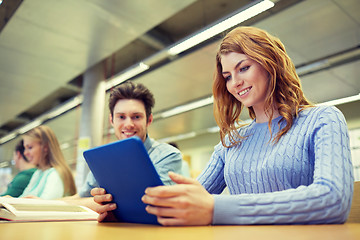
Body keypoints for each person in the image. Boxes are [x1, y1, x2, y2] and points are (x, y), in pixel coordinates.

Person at [92, 26, 354, 225]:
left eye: (244, 68)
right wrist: (121, 210)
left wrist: (217, 208)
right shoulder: (231, 141)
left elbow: (334, 200)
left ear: (270, 64)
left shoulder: (322, 119)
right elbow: (193, 200)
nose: (235, 83)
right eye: (228, 76)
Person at [64, 81, 183, 210]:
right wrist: (43, 202)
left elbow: (149, 204)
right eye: (121, 117)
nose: (128, 124)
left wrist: (96, 203)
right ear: (112, 121)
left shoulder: (168, 155)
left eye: (136, 117)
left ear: (149, 120)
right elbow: (81, 197)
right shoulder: (104, 159)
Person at [19, 125, 76, 199]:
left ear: (45, 147)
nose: (25, 153)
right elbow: (23, 197)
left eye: (30, 147)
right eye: (25, 148)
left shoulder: (56, 173)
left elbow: (47, 205)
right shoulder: (38, 173)